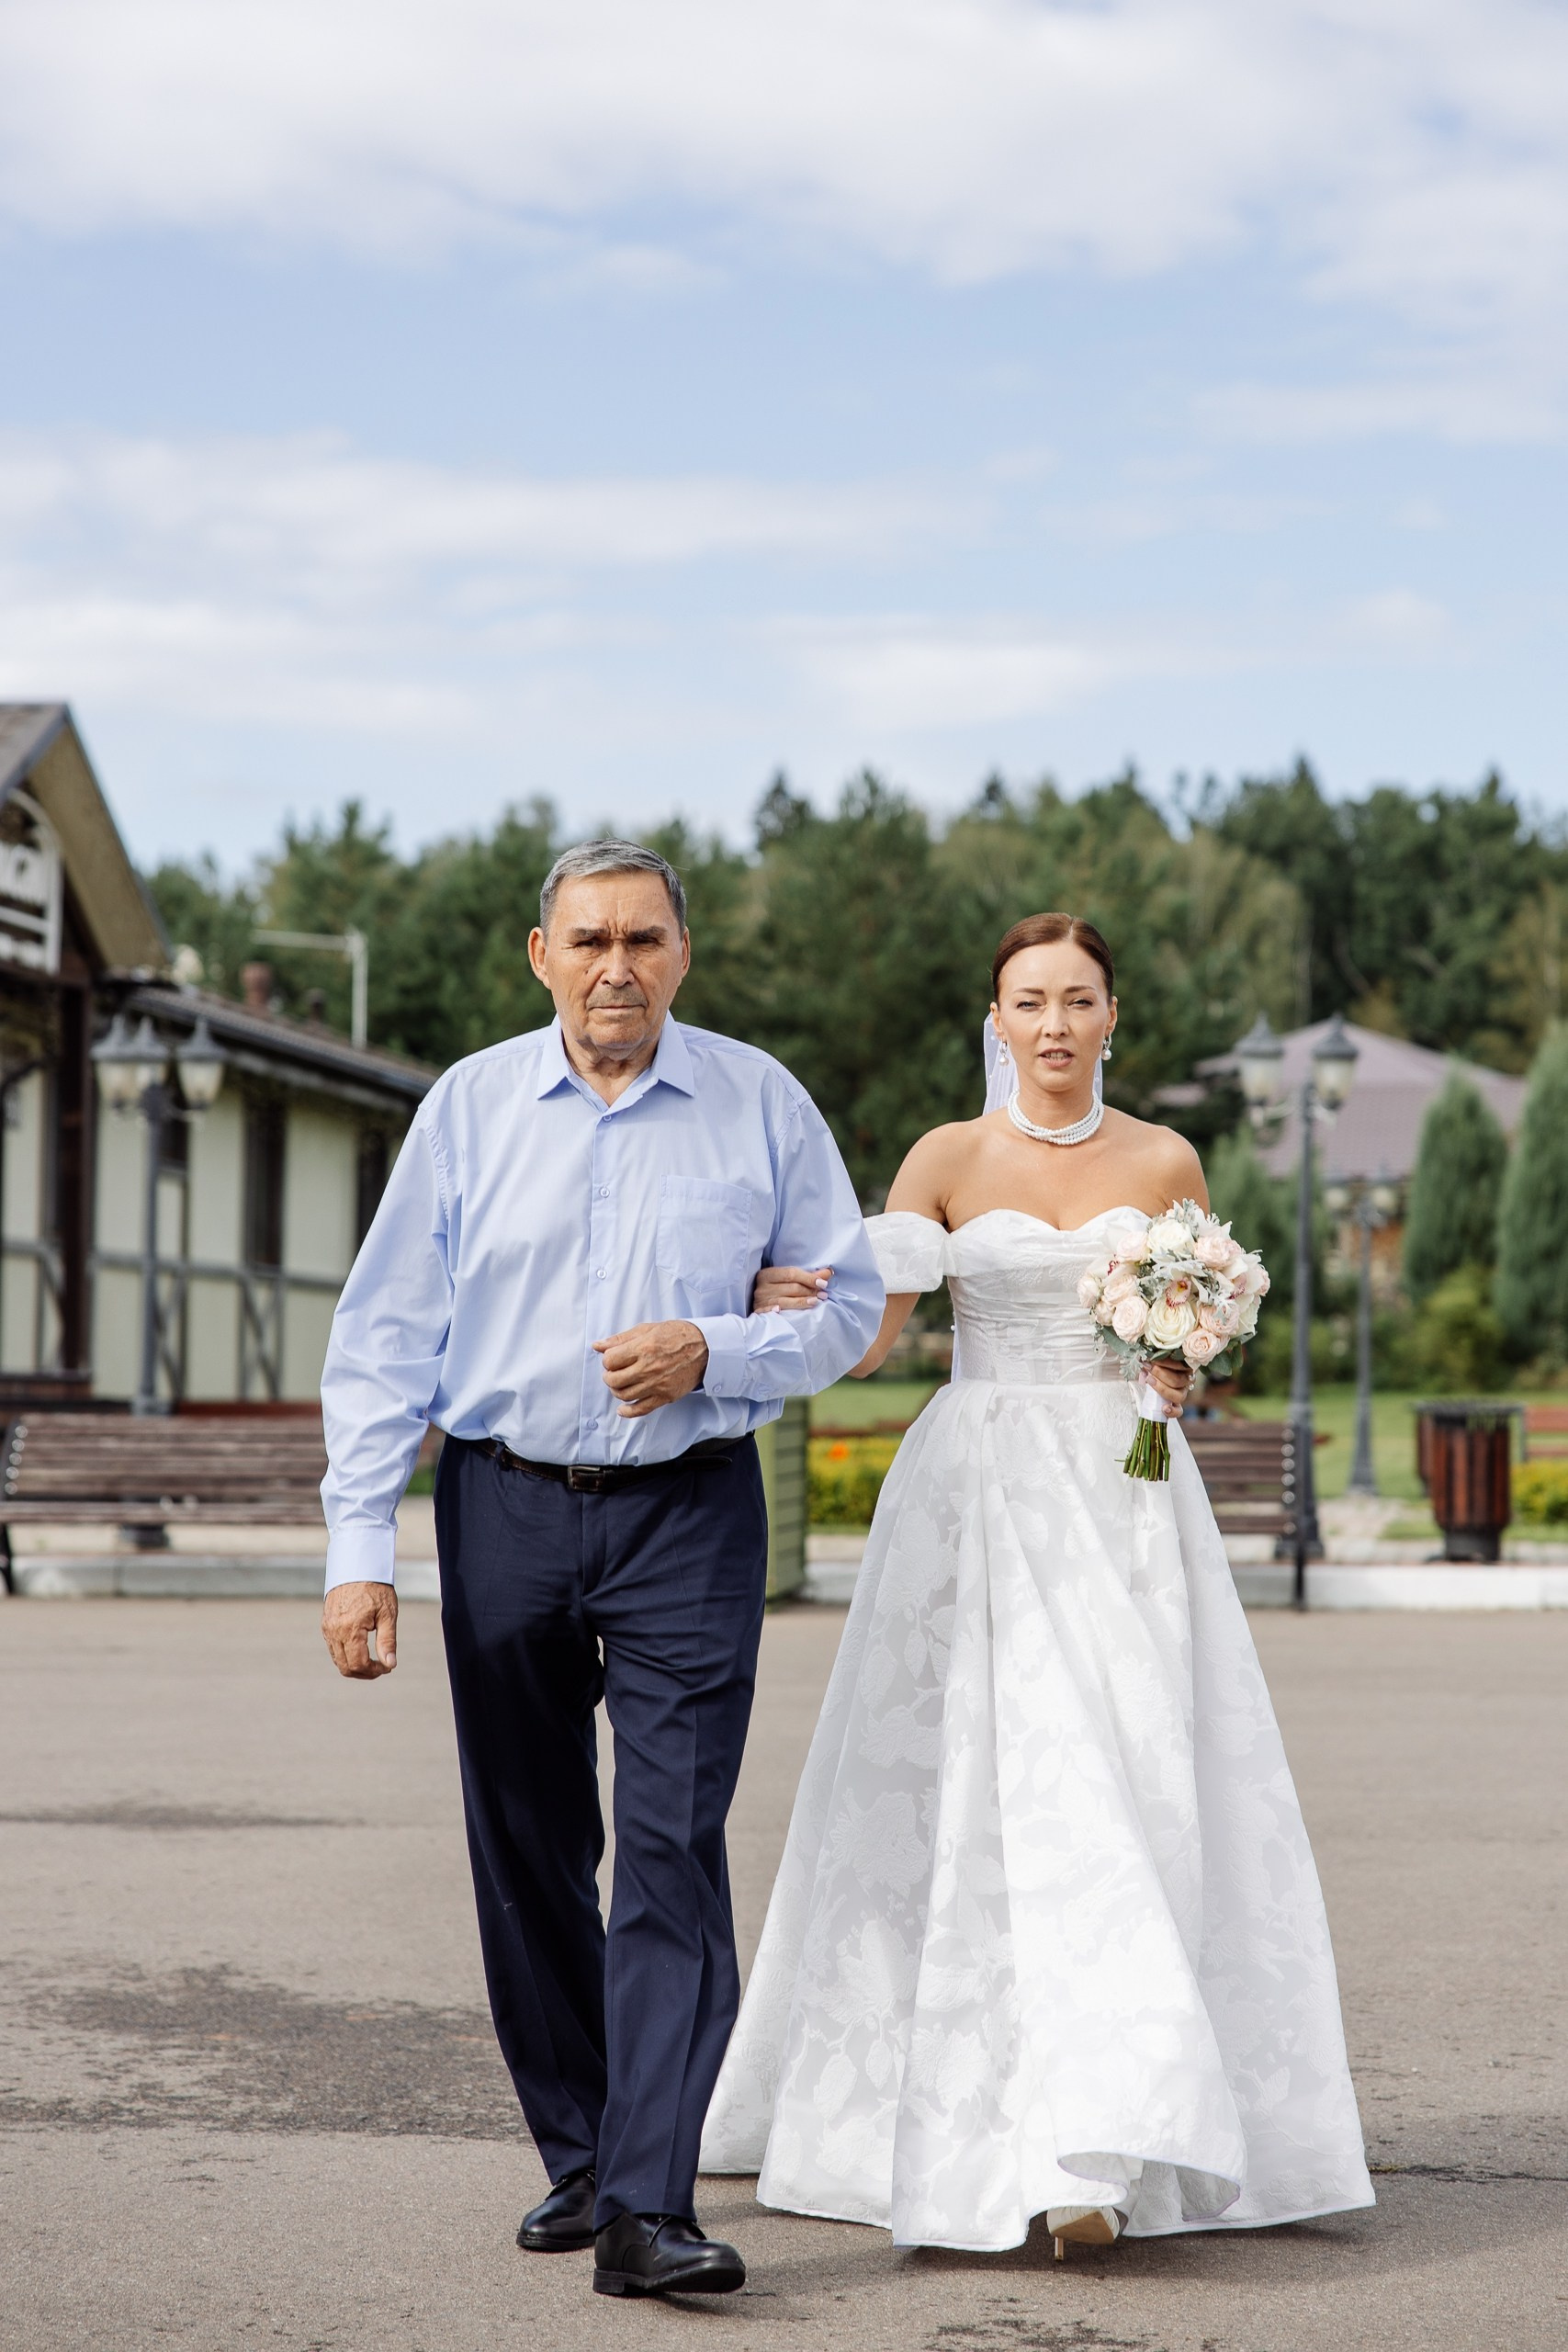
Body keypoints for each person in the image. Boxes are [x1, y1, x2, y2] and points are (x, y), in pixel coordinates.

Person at [702, 911, 1374, 2256]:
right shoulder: (946, 1159)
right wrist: (765, 1319)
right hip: (978, 1496)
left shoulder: (1164, 1155)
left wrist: (1182, 1362)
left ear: (1113, 1015)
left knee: (1124, 1781)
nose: (1055, 1024)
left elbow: (1192, 1339)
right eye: (1030, 1001)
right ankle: (1023, 2133)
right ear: (995, 1019)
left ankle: (1108, 2137)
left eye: (1078, 999)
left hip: (1125, 1502)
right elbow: (867, 1329)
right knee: (984, 1793)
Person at [318, 841, 883, 2301]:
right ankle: (579, 2151)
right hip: (500, 1509)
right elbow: (386, 1335)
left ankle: (649, 2202)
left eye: (642, 938)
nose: (616, 964)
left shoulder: (762, 1104)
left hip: (689, 1515)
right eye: (590, 940)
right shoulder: (468, 1110)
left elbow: (848, 1309)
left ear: (682, 953)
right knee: (526, 1846)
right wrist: (357, 1547)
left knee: (673, 1847)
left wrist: (719, 1347)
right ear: (541, 953)